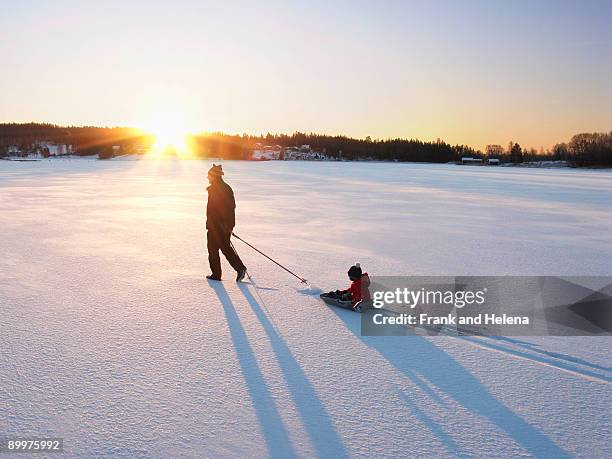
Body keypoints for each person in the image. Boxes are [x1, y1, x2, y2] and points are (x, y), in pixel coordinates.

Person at [205, 164, 247, 282]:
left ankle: (217, 274)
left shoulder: (217, 189)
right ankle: (239, 268)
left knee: (214, 249)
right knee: (225, 249)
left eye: (209, 175)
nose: (207, 177)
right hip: (220, 226)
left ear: (214, 176)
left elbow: (227, 208)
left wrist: (224, 225)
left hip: (218, 227)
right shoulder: (222, 188)